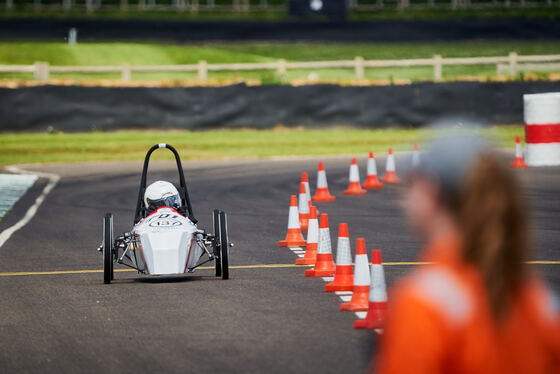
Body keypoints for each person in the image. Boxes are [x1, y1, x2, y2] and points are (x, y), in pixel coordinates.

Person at [374, 135, 560, 374]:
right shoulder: (537, 299)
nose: (403, 199)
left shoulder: (423, 304)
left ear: (432, 191)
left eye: (411, 185)